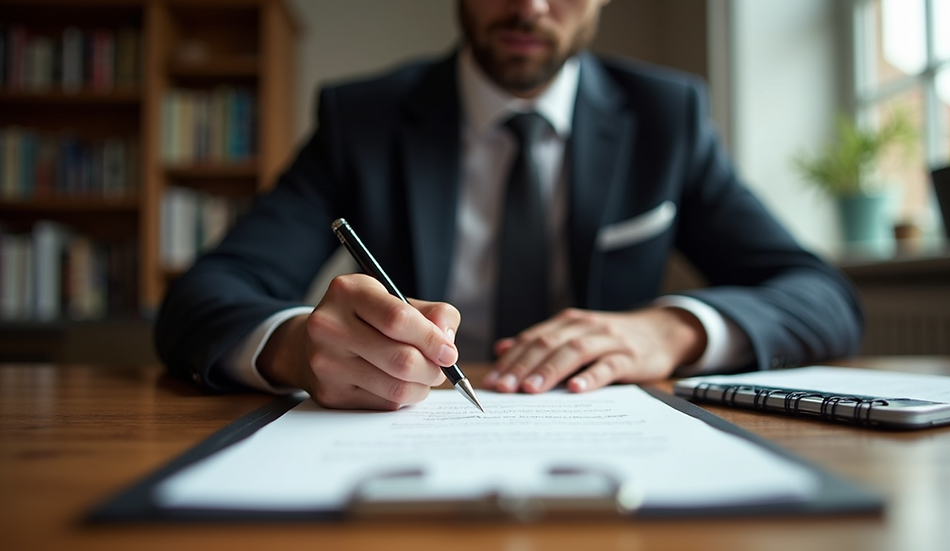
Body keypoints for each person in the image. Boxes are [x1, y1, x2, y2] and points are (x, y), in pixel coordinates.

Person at [155, 0, 863, 411]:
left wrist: (671, 331)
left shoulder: (665, 117)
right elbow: (203, 297)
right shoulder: (362, 120)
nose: (528, 5)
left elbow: (821, 297)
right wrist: (293, 349)